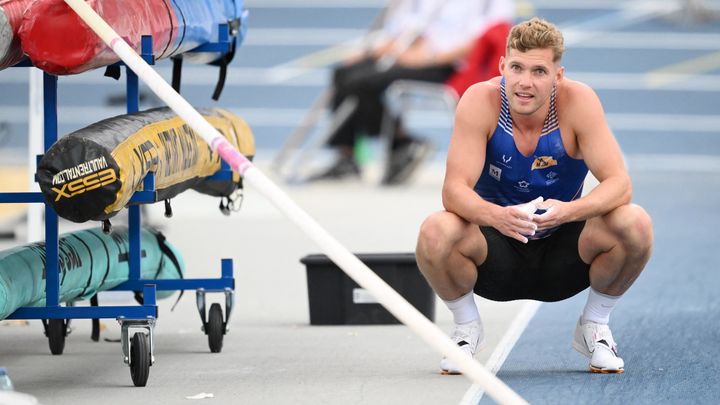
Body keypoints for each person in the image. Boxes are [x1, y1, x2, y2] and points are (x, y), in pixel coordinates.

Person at [415, 17, 653, 374]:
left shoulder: (578, 102)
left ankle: (595, 326)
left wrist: (569, 212)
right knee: (435, 230)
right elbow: (454, 191)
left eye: (539, 71)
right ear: (502, 67)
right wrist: (499, 217)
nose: (525, 83)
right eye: (517, 68)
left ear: (558, 75)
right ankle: (466, 329)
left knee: (635, 223)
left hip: (564, 252)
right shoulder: (480, 101)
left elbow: (619, 183)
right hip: (495, 252)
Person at [309, 0, 514, 185]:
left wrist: (429, 57)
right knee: (344, 74)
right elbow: (405, 27)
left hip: (447, 64)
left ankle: (400, 141)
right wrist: (371, 52)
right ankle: (350, 155)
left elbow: (491, 35)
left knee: (364, 82)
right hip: (411, 53)